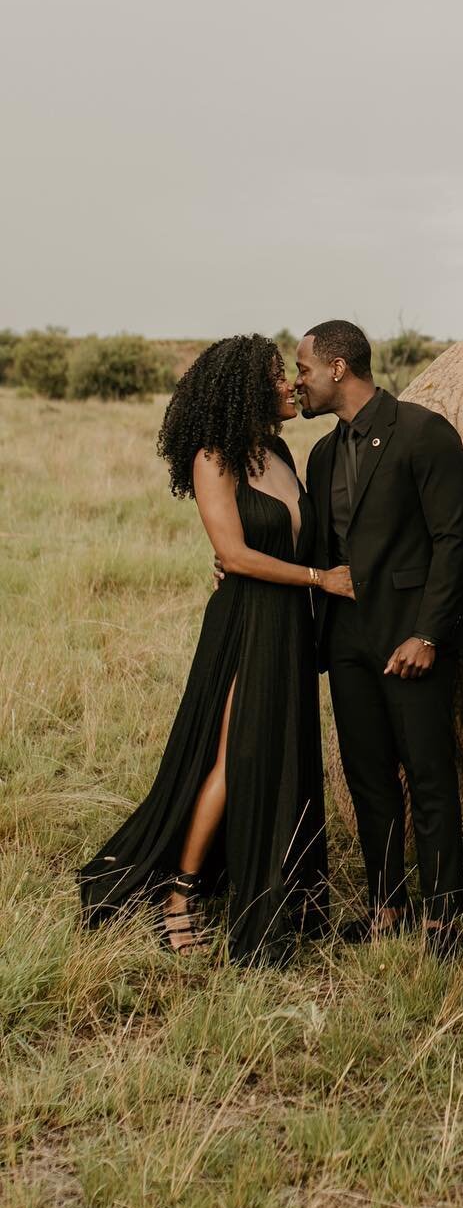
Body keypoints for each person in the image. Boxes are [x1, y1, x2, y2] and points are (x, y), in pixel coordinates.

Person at [78, 335, 354, 961]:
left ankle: (275, 884)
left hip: (287, 624)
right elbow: (234, 554)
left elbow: (281, 542)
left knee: (278, 751)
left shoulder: (281, 452)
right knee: (235, 756)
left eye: (291, 374)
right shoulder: (215, 457)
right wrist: (320, 580)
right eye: (278, 376)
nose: (289, 385)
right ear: (247, 390)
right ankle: (177, 894)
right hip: (246, 622)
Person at [295, 319, 463, 957]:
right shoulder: (318, 454)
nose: (300, 384)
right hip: (345, 640)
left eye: (305, 370)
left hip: (409, 639)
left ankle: (444, 918)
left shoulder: (424, 433)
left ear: (338, 367)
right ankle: (385, 907)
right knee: (368, 776)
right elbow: (317, 546)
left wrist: (428, 632)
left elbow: (454, 541)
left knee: (428, 776)